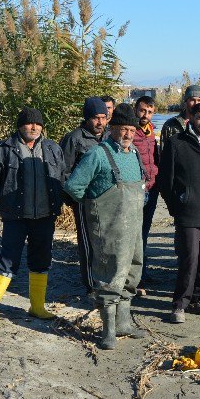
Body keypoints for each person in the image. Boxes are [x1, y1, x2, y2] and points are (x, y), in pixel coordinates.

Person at [64, 104, 147, 349]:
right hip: (107, 231)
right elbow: (73, 187)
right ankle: (108, 331)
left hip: (133, 230)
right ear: (112, 128)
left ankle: (124, 323)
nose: (128, 134)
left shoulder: (134, 155)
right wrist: (92, 211)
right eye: (123, 129)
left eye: (132, 129)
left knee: (133, 271)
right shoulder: (98, 154)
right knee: (109, 276)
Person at [0, 108, 66, 326]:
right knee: (8, 260)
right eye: (29, 124)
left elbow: (63, 177)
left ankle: (37, 307)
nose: (34, 127)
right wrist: (4, 201)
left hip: (45, 216)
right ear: (20, 126)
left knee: (41, 260)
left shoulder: (53, 149)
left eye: (38, 124)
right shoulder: (3, 148)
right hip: (15, 216)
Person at [158, 102, 200, 323]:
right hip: (187, 213)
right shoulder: (176, 144)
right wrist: (177, 206)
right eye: (199, 118)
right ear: (191, 118)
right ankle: (180, 304)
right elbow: (165, 181)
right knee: (189, 258)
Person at [60, 97, 109, 295]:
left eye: (103, 117)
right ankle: (91, 285)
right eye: (96, 118)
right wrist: (75, 199)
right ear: (87, 118)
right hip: (84, 201)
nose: (100, 123)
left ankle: (106, 281)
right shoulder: (74, 139)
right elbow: (64, 171)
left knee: (105, 242)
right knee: (88, 243)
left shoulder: (108, 137)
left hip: (107, 200)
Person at [132, 96, 160, 296]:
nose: (145, 115)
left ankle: (141, 270)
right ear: (136, 109)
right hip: (136, 189)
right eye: (142, 111)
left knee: (144, 232)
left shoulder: (151, 132)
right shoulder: (130, 131)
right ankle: (135, 278)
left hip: (152, 188)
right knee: (134, 235)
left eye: (149, 112)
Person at [159, 85, 200, 153]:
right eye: (192, 100)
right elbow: (163, 152)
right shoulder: (171, 125)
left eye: (199, 100)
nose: (196, 103)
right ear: (186, 101)